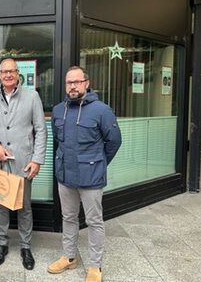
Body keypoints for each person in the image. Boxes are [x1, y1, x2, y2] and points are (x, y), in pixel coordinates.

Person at [47, 66, 122, 282]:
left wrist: (98, 163)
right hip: (65, 175)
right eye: (69, 82)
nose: (72, 86)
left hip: (91, 177)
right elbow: (58, 141)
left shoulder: (101, 110)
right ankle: (69, 257)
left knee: (94, 221)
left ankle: (95, 266)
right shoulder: (59, 110)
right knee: (68, 217)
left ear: (86, 83)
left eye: (77, 82)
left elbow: (114, 141)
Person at [0, 58, 46, 270]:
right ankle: (2, 244)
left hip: (23, 162)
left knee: (24, 207)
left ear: (18, 74)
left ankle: (26, 246)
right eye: (3, 71)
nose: (8, 75)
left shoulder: (32, 96)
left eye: (11, 71)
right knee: (0, 206)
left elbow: (41, 130)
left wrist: (37, 159)